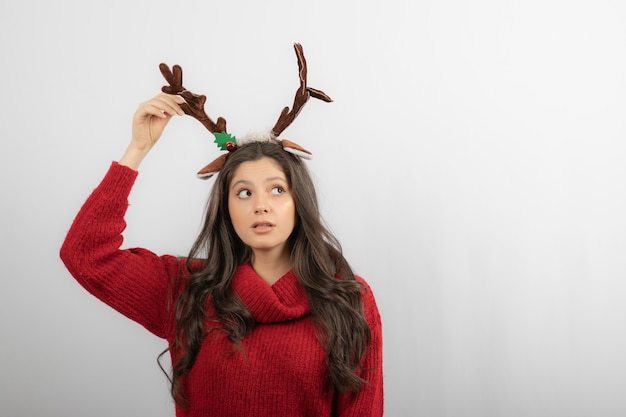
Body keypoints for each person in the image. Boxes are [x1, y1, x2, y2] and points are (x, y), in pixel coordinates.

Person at [60, 46, 383, 417]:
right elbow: (85, 255)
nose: (260, 204)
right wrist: (137, 148)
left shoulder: (349, 298)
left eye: (277, 189)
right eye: (243, 192)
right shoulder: (186, 291)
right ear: (227, 208)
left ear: (299, 202)